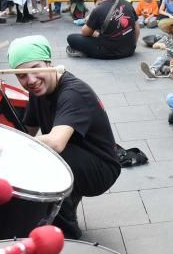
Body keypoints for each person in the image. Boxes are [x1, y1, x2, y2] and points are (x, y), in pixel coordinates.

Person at [9, 35, 121, 239]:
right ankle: (59, 205)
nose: (30, 80)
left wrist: (7, 142)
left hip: (102, 168)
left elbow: (55, 142)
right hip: (78, 154)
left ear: (49, 62)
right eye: (21, 75)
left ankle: (68, 234)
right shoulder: (38, 90)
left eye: (35, 68)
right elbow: (29, 129)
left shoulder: (74, 92)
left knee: (46, 156)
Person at [65, 0, 139, 59]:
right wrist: (132, 46)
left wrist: (89, 22)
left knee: (71, 38)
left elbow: (85, 32)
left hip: (108, 52)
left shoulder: (98, 10)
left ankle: (85, 51)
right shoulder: (128, 4)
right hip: (129, 50)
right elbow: (137, 29)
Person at [141, 13, 173, 78]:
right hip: (170, 60)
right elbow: (154, 45)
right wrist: (160, 45)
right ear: (171, 28)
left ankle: (169, 70)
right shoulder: (168, 38)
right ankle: (153, 70)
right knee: (162, 58)